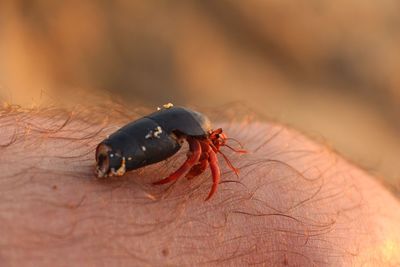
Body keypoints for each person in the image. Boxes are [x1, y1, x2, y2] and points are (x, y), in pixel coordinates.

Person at [1, 103, 399, 266]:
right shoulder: (196, 142)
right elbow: (199, 156)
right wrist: (173, 178)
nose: (214, 148)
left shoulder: (198, 134)